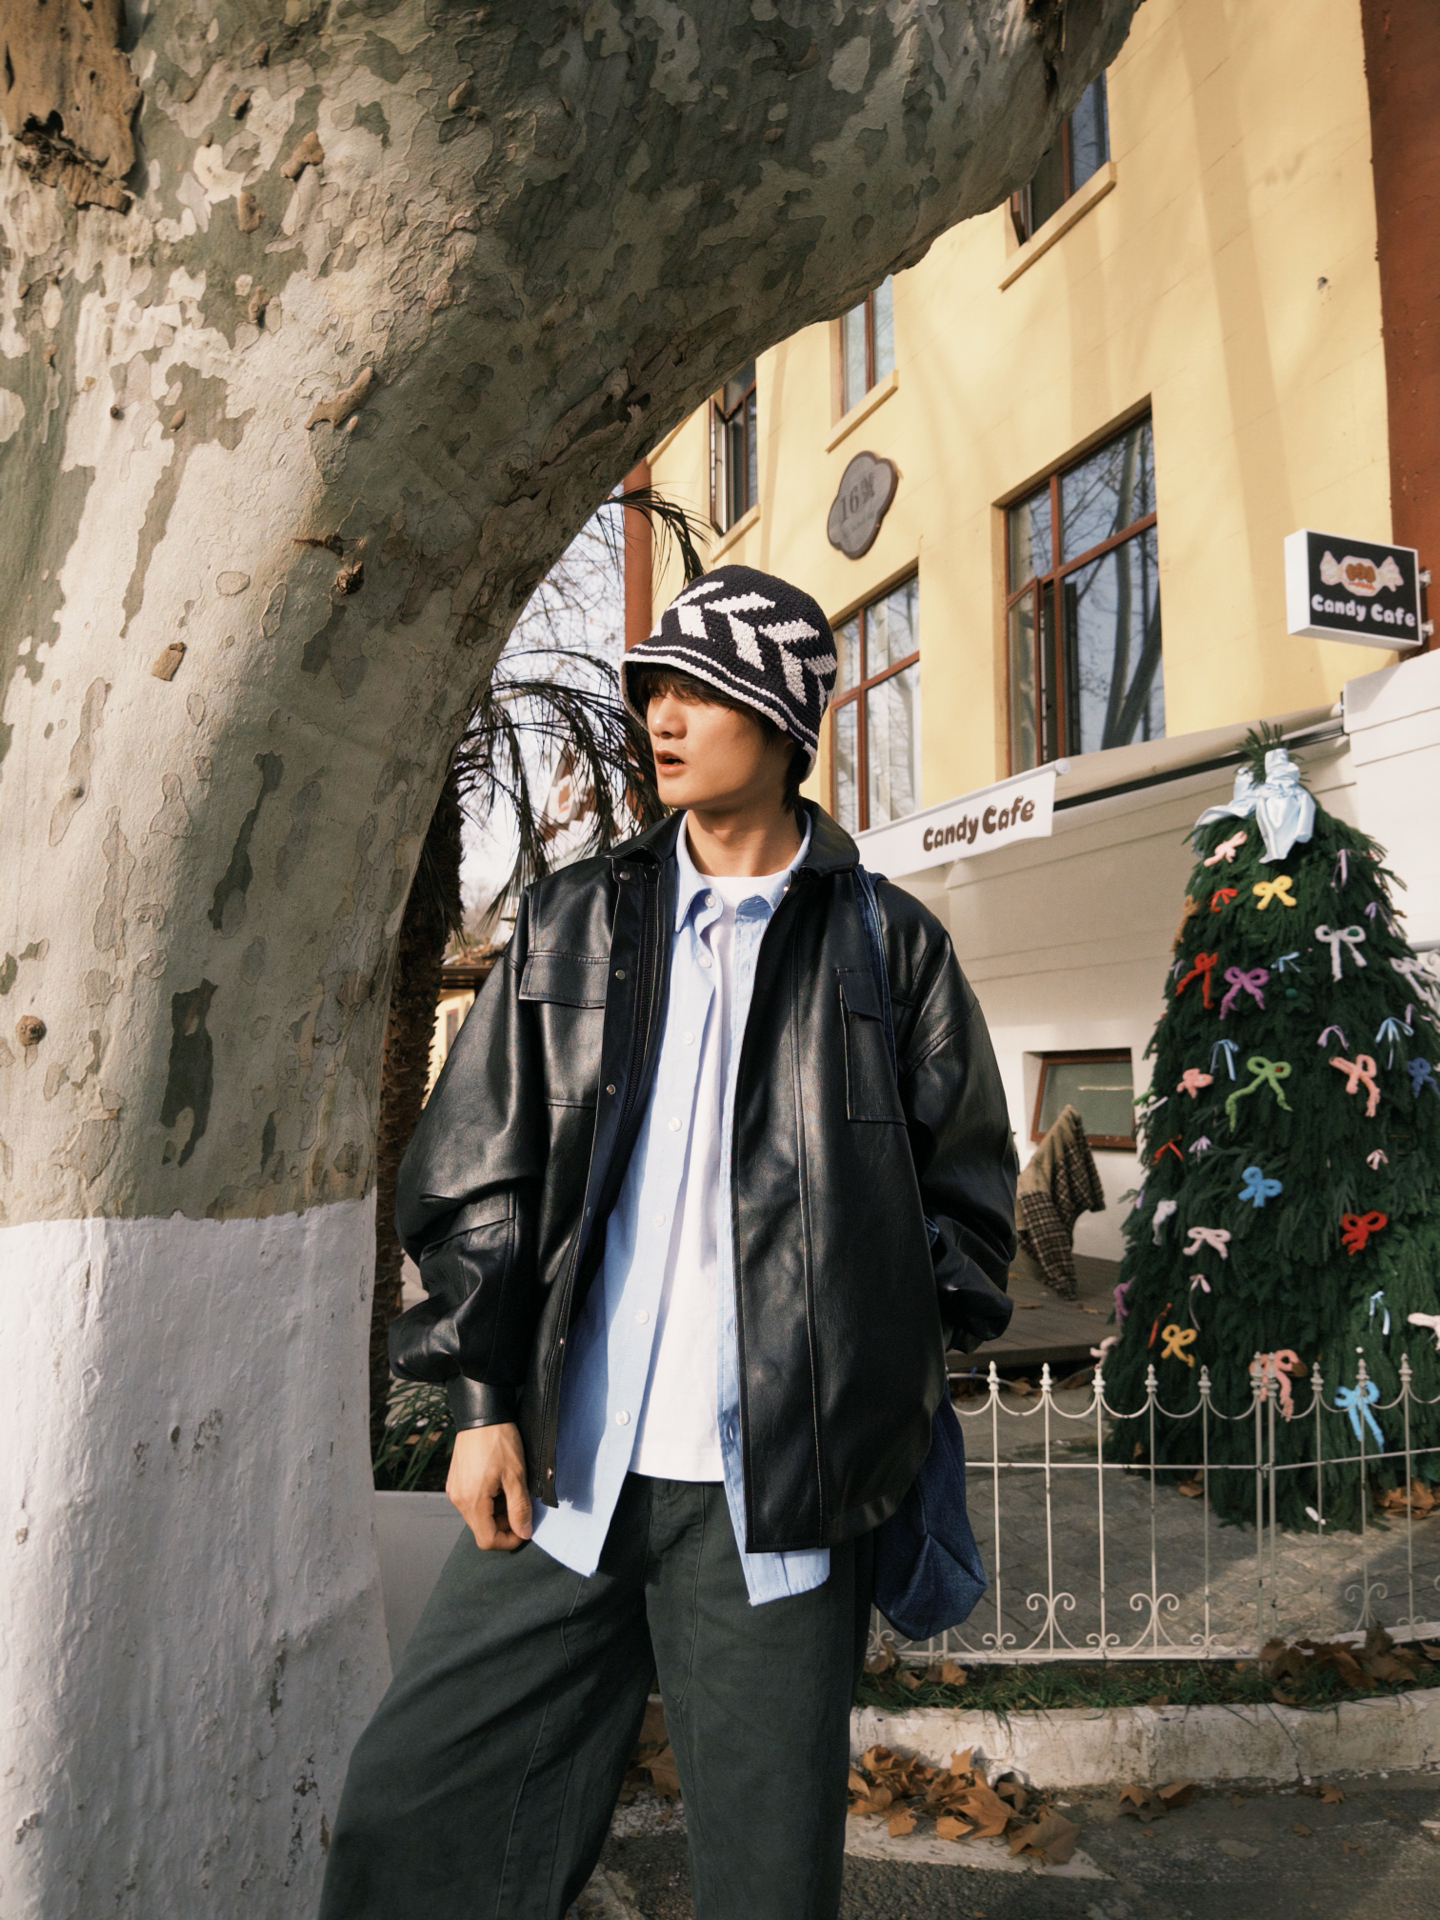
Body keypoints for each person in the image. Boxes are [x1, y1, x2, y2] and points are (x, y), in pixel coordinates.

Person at [318, 564, 1017, 1920]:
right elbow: (477, 1180)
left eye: (701, 690)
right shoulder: (574, 922)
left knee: (767, 1878)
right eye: (653, 691)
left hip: (778, 1515)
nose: (663, 718)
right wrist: (480, 1403)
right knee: (418, 1811)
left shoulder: (891, 948)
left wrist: (867, 1388)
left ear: (785, 717)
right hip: (564, 1481)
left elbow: (971, 1215)